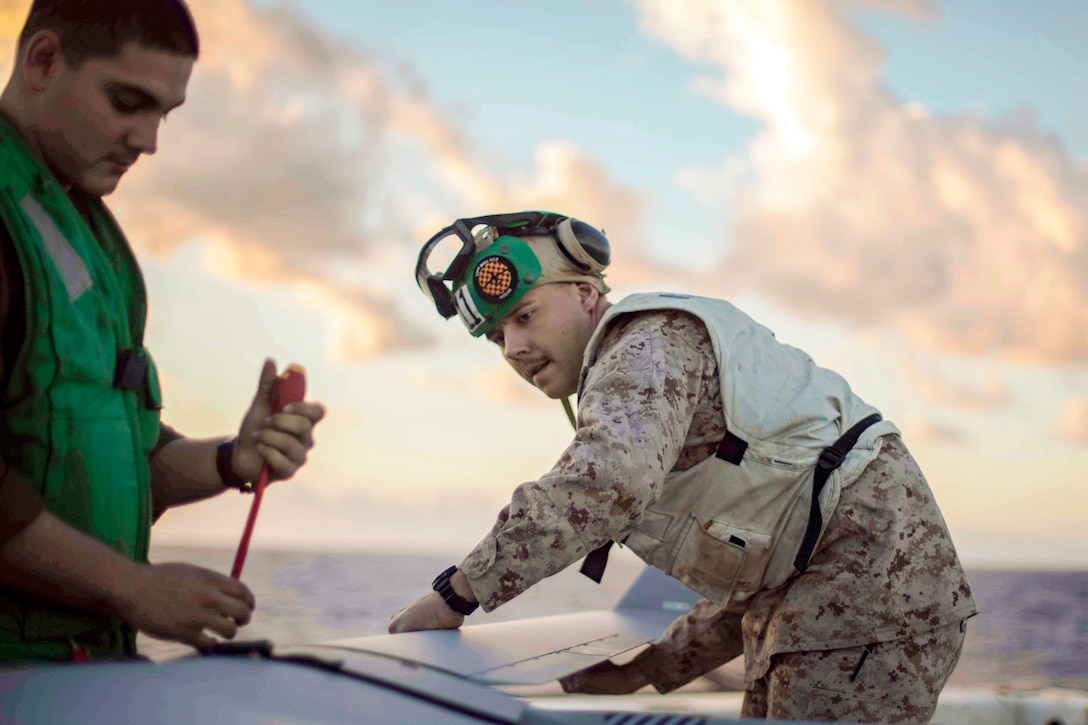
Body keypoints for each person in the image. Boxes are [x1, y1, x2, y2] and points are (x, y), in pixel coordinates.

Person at [390, 211, 979, 723]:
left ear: (585, 295)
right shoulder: (646, 368)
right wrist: (648, 670)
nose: (512, 348)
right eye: (496, 336)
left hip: (860, 621)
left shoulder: (646, 343)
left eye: (524, 316)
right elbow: (772, 565)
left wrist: (455, 595)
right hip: (836, 619)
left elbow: (602, 485)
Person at [0, 0, 326, 662]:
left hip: (78, 673)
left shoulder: (90, 234)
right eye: (128, 102)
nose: (149, 141)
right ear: (41, 61)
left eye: (164, 115)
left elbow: (124, 457)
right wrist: (132, 587)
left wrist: (234, 457)